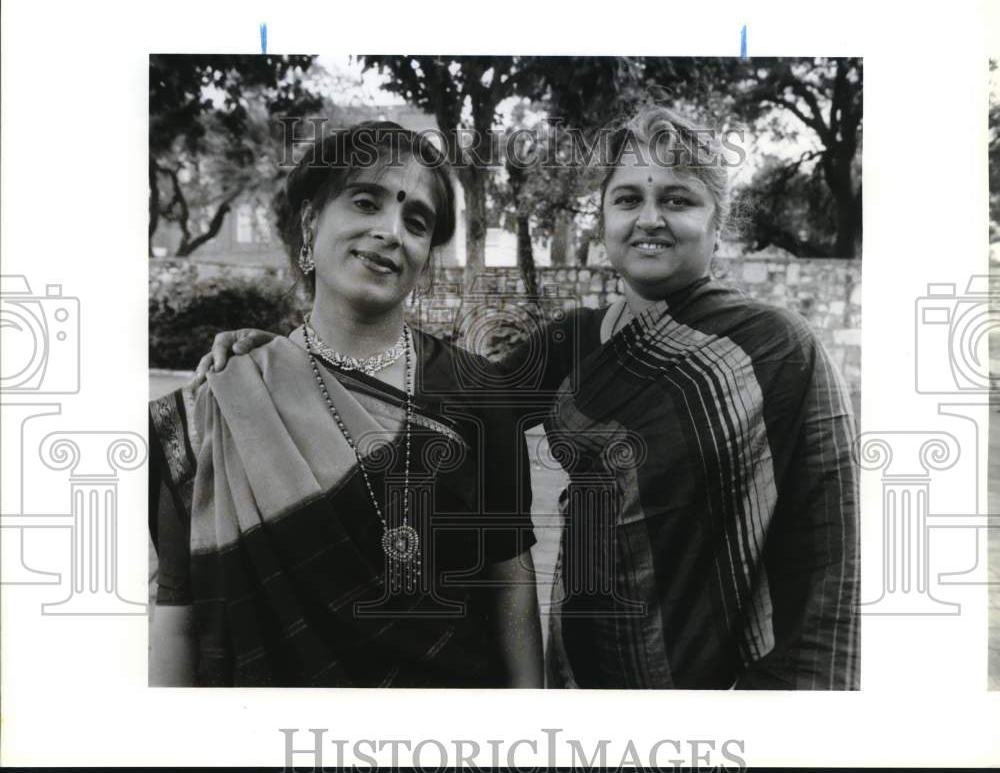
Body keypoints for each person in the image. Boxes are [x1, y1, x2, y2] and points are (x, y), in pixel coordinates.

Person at [195, 104, 860, 690]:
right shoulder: (576, 343)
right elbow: (446, 399)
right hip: (582, 673)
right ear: (603, 220)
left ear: (719, 222)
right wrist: (288, 353)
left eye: (678, 199)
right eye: (627, 198)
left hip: (719, 686)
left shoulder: (777, 348)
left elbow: (831, 549)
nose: (649, 218)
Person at [149, 121, 543, 687]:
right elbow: (179, 616)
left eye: (416, 221)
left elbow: (510, 578)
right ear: (311, 223)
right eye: (365, 202)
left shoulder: (479, 393)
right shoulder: (224, 405)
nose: (390, 232)